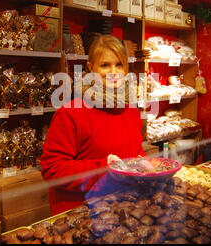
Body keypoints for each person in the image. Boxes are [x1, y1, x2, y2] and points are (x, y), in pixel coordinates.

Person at [40, 35, 146, 215]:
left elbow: (133, 153)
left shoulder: (131, 112)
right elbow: (53, 169)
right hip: (83, 216)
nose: (114, 71)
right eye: (105, 65)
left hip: (124, 211)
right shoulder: (71, 113)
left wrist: (144, 163)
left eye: (119, 64)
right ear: (90, 68)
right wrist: (106, 169)